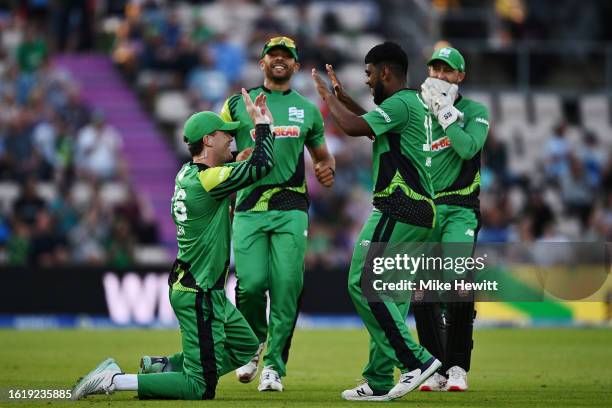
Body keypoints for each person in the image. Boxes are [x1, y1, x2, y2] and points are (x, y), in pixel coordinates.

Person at [71, 89, 276, 400]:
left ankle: (160, 368)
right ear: (208, 140)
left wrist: (236, 158)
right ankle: (114, 380)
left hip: (204, 287)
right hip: (199, 292)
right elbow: (263, 166)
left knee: (247, 346)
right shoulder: (209, 180)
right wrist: (263, 126)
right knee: (200, 387)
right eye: (226, 136)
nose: (232, 140)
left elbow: (220, 172)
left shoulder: (188, 173)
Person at [312, 41, 441, 401]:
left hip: (400, 206)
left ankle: (415, 360)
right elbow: (369, 125)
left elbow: (353, 127)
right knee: (390, 296)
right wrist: (342, 97)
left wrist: (327, 98)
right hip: (417, 210)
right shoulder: (409, 104)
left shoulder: (400, 103)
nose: (367, 81)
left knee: (363, 282)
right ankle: (381, 377)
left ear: (386, 72)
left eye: (369, 73)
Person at [219, 36, 335, 392]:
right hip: (250, 206)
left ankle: (274, 367)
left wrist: (326, 167)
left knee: (286, 287)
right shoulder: (237, 104)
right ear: (262, 62)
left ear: (296, 66)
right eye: (274, 55)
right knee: (251, 286)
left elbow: (321, 155)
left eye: (287, 57)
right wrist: (232, 158)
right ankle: (253, 346)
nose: (280, 60)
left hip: (291, 207)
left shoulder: (308, 109)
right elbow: (218, 149)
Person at [414, 46, 490, 392]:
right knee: (422, 290)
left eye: (447, 71)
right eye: (435, 70)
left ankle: (457, 365)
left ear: (460, 76)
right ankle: (434, 366)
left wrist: (446, 112)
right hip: (425, 210)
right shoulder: (415, 111)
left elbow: (467, 149)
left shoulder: (474, 111)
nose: (440, 77)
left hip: (460, 207)